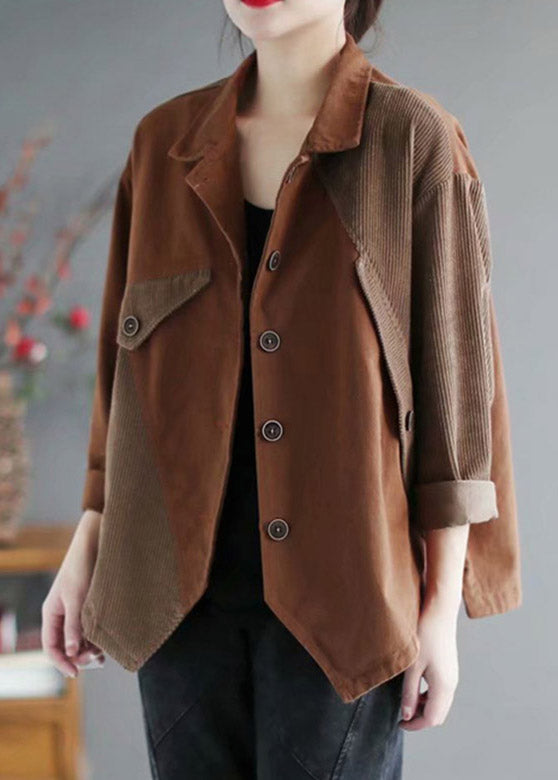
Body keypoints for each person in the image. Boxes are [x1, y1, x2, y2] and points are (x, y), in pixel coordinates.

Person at [42, 1, 522, 777]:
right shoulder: (165, 144)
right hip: (178, 605)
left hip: (347, 605)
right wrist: (91, 534)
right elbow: (127, 370)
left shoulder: (411, 140)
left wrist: (439, 615)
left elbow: (458, 391)